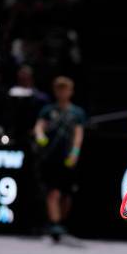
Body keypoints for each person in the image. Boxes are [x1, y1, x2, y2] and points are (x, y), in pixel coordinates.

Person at [34, 76, 86, 243]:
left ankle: (60, 223)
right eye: (59, 89)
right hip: (51, 158)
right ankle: (55, 224)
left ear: (70, 92)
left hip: (68, 158)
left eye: (65, 89)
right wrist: (40, 135)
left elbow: (78, 135)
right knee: (53, 192)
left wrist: (74, 153)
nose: (62, 92)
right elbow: (39, 126)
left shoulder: (77, 113)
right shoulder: (47, 110)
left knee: (67, 195)